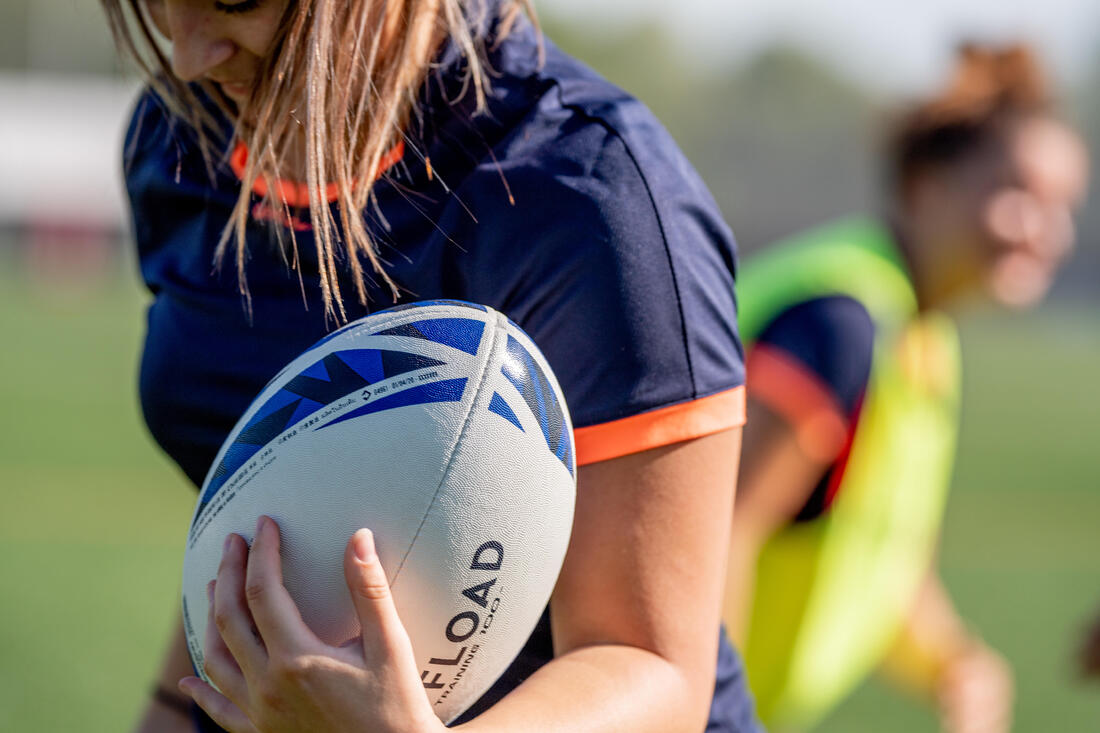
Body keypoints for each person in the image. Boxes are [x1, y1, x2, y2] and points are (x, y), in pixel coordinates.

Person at [102, 0, 760, 731]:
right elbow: (266, 513)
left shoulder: (590, 198)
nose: (187, 55)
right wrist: (173, 708)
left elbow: (653, 665)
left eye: (234, 0)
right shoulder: (179, 137)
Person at [721, 43, 1089, 732]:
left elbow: (883, 565)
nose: (1047, 231)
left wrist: (953, 664)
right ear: (926, 185)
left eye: (1063, 205)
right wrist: (714, 717)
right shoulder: (838, 322)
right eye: (1018, 192)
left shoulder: (924, 338)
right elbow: (717, 536)